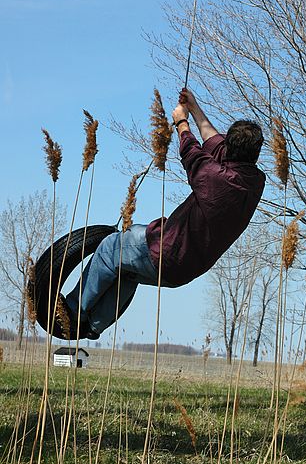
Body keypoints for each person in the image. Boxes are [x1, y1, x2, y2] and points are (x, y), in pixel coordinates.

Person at [62, 88, 265, 340]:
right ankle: (94, 325)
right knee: (126, 270)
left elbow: (192, 152)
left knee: (110, 247)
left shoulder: (216, 178)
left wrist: (181, 122)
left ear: (231, 148)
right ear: (255, 153)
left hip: (167, 252)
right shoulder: (254, 181)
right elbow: (214, 142)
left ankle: (70, 312)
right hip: (185, 270)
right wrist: (194, 109)